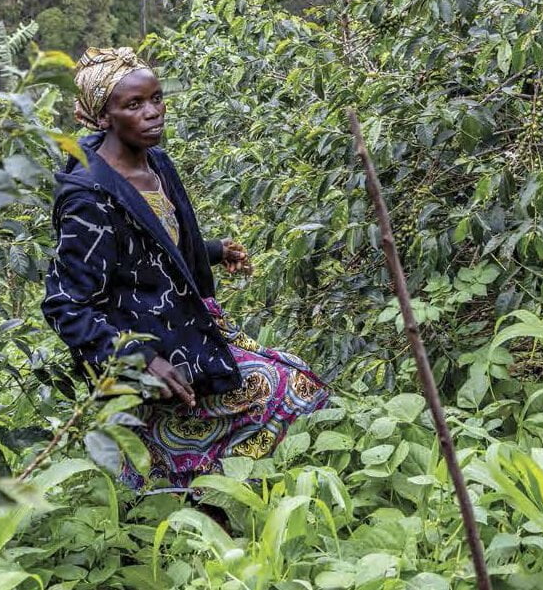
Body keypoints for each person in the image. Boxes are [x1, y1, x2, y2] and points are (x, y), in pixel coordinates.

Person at [41, 47, 329, 490]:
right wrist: (142, 361)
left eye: (156, 98)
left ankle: (209, 495)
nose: (152, 112)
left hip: (185, 328)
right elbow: (66, 304)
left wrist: (210, 250)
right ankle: (201, 495)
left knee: (299, 378)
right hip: (148, 349)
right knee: (286, 388)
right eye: (133, 105)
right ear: (102, 117)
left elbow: (152, 242)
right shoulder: (89, 198)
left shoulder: (155, 162)